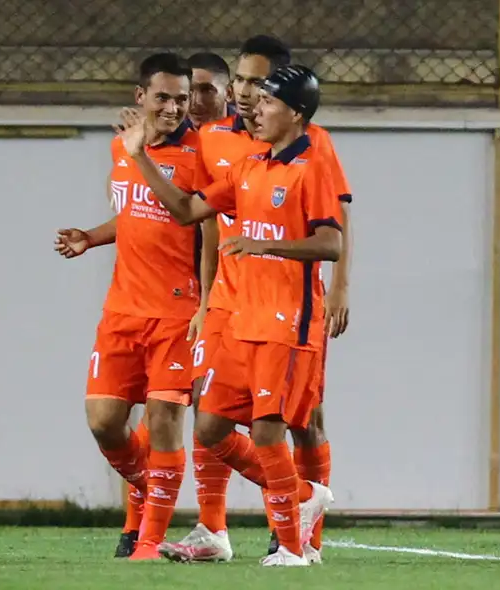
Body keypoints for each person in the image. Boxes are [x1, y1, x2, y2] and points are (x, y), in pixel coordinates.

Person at [115, 64, 339, 567]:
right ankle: (302, 496)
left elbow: (332, 242)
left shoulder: (313, 166)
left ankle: (292, 547)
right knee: (211, 426)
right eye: (256, 101)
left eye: (269, 103)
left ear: (296, 114)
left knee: (269, 430)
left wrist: (265, 244)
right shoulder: (249, 166)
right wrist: (141, 157)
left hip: (287, 320)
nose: (256, 109)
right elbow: (187, 210)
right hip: (240, 318)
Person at [55, 53, 205, 561]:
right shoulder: (121, 147)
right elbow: (136, 213)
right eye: (162, 97)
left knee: (164, 417)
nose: (173, 107)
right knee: (103, 420)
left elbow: (187, 216)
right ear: (140, 96)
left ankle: (150, 540)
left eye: (181, 99)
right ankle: (150, 487)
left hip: (177, 310)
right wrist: (91, 237)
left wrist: (141, 153)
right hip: (122, 309)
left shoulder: (198, 153)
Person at [114, 50, 235, 558]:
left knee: (213, 419)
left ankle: (273, 509)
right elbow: (141, 214)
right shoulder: (153, 144)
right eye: (191, 92)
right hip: (174, 301)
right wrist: (93, 236)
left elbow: (201, 223)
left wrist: (208, 301)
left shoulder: (227, 148)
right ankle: (138, 526)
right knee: (168, 417)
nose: (194, 102)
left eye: (206, 92)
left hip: (226, 298)